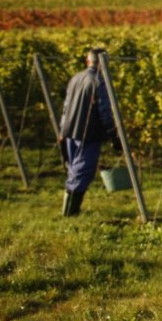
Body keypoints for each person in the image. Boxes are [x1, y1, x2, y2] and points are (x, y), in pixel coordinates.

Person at [58, 49, 118, 217]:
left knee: (74, 169)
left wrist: (62, 130)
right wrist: (112, 133)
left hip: (70, 129)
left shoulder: (75, 78)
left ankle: (68, 211)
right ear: (105, 64)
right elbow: (105, 110)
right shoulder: (99, 81)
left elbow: (66, 106)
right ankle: (71, 212)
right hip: (88, 131)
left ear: (87, 61)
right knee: (83, 170)